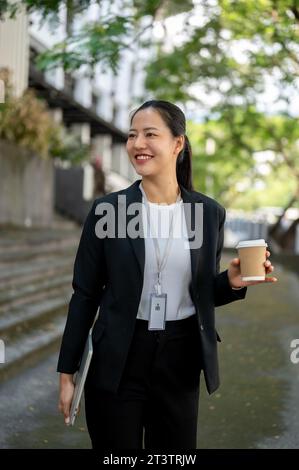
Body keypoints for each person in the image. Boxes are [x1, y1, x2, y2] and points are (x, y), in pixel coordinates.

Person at [57, 100, 277, 450]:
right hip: (118, 358)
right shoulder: (108, 211)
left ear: (178, 144)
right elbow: (85, 294)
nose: (137, 144)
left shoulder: (207, 214)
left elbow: (200, 292)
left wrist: (232, 282)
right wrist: (67, 372)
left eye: (149, 134)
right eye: (132, 135)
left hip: (180, 359)